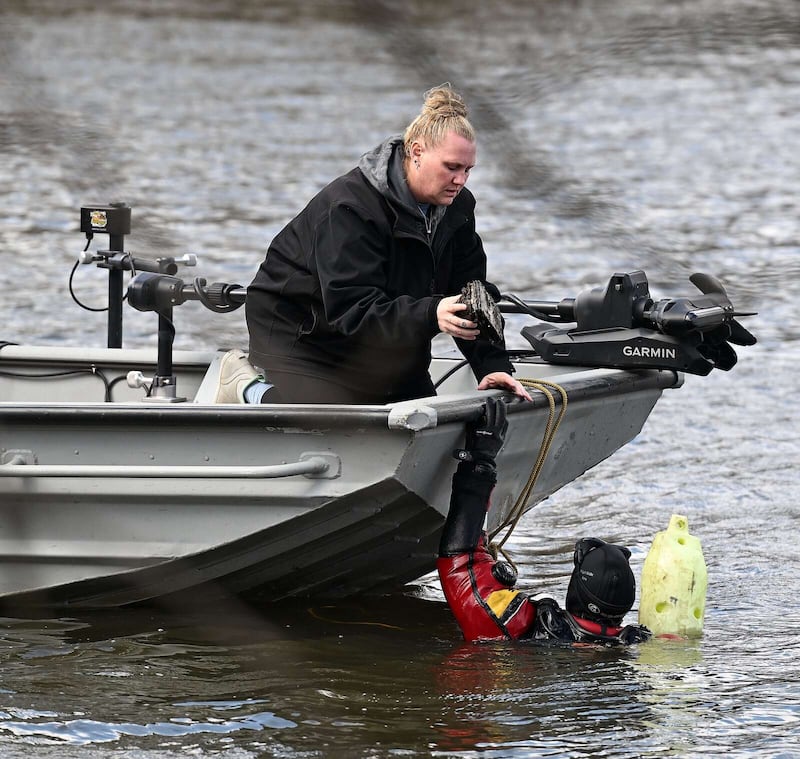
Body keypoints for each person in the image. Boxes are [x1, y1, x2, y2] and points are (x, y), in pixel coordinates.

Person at [214, 84, 532, 405]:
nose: (461, 180)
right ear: (417, 152)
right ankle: (244, 385)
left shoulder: (458, 208)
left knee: (425, 422)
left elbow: (471, 293)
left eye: (467, 170)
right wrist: (430, 313)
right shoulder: (350, 208)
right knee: (318, 428)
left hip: (385, 333)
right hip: (303, 336)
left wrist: (491, 366)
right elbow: (352, 310)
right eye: (451, 167)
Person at [438, 397, 652, 645]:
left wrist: (480, 458)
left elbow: (460, 561)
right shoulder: (636, 640)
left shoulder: (516, 625)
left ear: (578, 590)